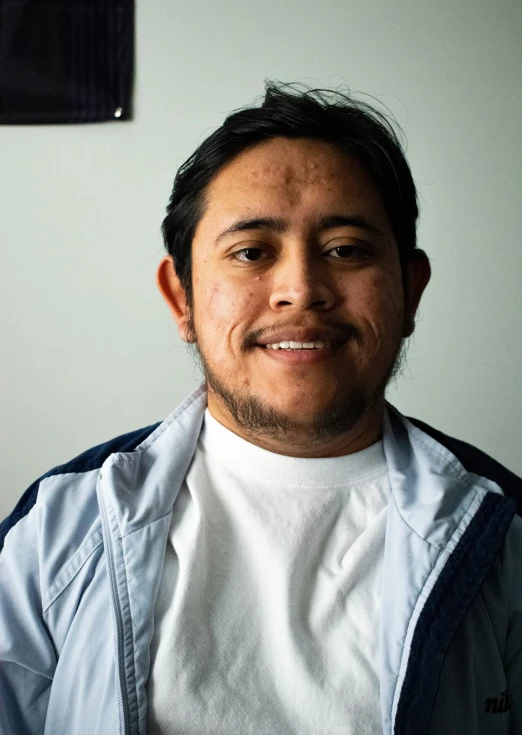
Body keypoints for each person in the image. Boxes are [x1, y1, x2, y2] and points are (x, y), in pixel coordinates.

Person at [0, 82, 520, 735]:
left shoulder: (506, 537)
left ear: (411, 290)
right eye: (251, 251)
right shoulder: (58, 529)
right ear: (181, 296)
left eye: (346, 249)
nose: (300, 289)